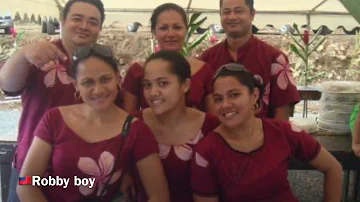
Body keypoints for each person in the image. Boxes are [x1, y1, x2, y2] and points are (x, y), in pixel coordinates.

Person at [0, 1, 122, 201]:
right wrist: (22, 54)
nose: (84, 26)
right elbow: (8, 86)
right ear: (63, 21)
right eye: (77, 18)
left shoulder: (102, 65)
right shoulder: (40, 54)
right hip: (30, 174)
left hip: (83, 177)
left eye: (92, 22)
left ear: (99, 28)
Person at [16, 44, 170, 202]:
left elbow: (159, 196)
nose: (98, 90)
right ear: (76, 85)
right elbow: (25, 182)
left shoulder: (136, 130)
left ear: (118, 79)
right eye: (88, 82)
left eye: (105, 79)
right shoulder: (54, 120)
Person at [191, 63, 343, 202]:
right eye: (218, 99)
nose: (225, 105)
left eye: (234, 95)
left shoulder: (283, 131)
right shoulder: (207, 151)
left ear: (254, 95)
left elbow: (333, 168)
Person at [122, 50, 220, 202]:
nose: (153, 92)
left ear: (185, 85)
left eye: (163, 83)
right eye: (147, 85)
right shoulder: (134, 125)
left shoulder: (210, 127)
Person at [199, 0, 300, 120]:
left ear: (252, 14)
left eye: (238, 11)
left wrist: (273, 138)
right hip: (216, 134)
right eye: (226, 12)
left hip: (263, 136)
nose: (232, 17)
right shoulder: (206, 60)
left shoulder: (275, 59)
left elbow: (282, 111)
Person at [122, 3, 215, 113]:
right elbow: (127, 119)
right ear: (153, 32)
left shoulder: (203, 71)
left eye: (177, 27)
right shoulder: (137, 72)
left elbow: (214, 118)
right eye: (163, 28)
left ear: (186, 30)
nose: (171, 34)